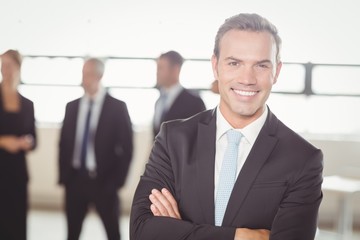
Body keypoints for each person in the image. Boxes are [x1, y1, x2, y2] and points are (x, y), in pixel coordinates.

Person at [130, 13, 323, 240]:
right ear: (215, 66)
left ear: (276, 72)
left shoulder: (302, 158)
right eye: (234, 63)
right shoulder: (174, 139)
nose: (247, 78)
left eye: (261, 65)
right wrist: (239, 236)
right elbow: (142, 230)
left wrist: (179, 231)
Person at [58, 58, 133, 240]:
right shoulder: (72, 106)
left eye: (89, 74)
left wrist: (117, 181)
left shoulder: (117, 107)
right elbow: (64, 144)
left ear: (100, 76)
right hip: (75, 180)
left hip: (104, 182)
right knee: (72, 233)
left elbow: (128, 146)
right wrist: (64, 177)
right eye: (83, 74)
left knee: (113, 233)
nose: (85, 79)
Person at [0, 49, 37, 240]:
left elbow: (33, 139)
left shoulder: (27, 104)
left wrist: (26, 142)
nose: (4, 69)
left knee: (16, 223)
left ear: (18, 67)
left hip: (17, 174)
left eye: (9, 65)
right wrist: (4, 141)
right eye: (2, 65)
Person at [153, 50, 206, 138]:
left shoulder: (194, 103)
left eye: (161, 68)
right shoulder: (159, 101)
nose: (157, 73)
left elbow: (200, 137)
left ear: (175, 70)